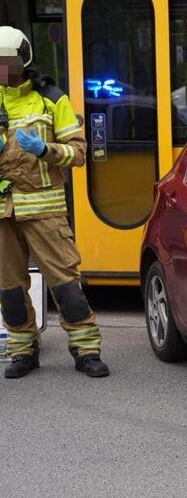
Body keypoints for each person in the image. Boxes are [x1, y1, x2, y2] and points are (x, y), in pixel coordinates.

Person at [0, 26, 108, 379]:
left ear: (23, 59)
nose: (2, 68)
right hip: (3, 212)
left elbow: (78, 153)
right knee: (9, 290)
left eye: (7, 61)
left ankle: (86, 350)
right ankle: (22, 351)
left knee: (66, 285)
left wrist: (45, 150)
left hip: (44, 210)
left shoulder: (51, 99)